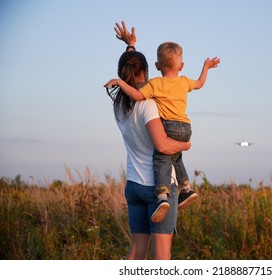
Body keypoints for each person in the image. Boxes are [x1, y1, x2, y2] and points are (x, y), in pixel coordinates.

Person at [105, 38, 220, 223]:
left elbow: (135, 93)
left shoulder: (152, 87)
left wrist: (119, 81)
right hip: (185, 127)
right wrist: (206, 67)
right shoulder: (183, 81)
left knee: (162, 157)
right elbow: (200, 83)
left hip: (163, 137)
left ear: (157, 66)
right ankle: (186, 188)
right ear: (181, 66)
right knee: (176, 157)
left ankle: (162, 196)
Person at [106, 21, 190, 259]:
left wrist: (130, 46)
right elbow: (162, 145)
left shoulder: (119, 105)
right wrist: (185, 145)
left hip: (133, 185)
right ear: (145, 72)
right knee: (162, 256)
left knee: (137, 251)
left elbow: (131, 69)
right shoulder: (149, 106)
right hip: (157, 187)